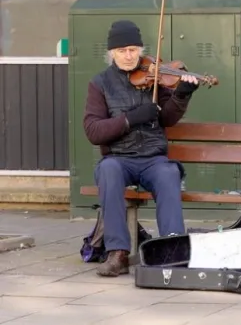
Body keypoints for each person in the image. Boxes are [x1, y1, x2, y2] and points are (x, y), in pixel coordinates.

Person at [83, 20, 200, 276]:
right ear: (112, 53)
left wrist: (182, 94)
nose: (128, 56)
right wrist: (129, 119)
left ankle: (173, 248)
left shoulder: (156, 76)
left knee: (169, 173)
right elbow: (93, 131)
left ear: (140, 50)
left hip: (152, 158)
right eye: (122, 50)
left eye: (134, 50)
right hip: (119, 157)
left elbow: (168, 118)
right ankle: (118, 253)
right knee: (108, 171)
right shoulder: (100, 83)